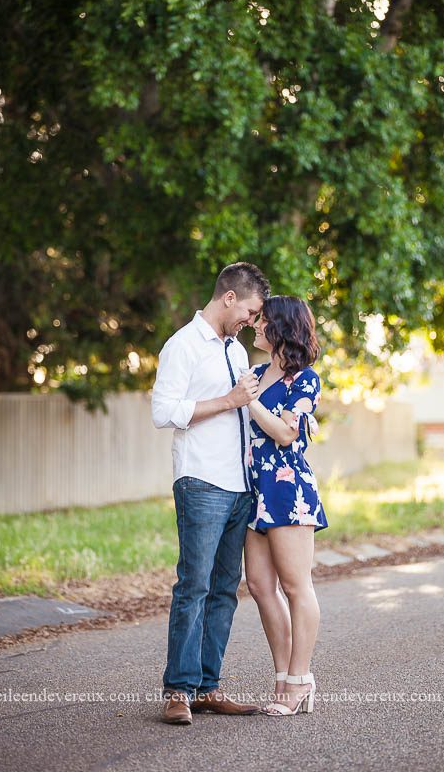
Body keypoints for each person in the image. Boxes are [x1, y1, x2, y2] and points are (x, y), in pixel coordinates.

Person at [151, 262, 270, 725]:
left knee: (224, 590)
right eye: (251, 311)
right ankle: (178, 691)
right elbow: (163, 412)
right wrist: (228, 401)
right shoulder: (182, 346)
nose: (251, 321)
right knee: (194, 586)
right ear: (229, 299)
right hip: (201, 482)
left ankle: (206, 686)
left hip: (240, 486)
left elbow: (249, 410)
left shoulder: (236, 352)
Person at [244, 295, 328, 717]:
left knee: (296, 586)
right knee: (260, 586)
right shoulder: (255, 373)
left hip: (289, 489)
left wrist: (250, 400)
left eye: (261, 321)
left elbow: (286, 434)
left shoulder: (305, 379)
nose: (254, 326)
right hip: (255, 491)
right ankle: (281, 676)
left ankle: (299, 680)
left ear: (280, 327)